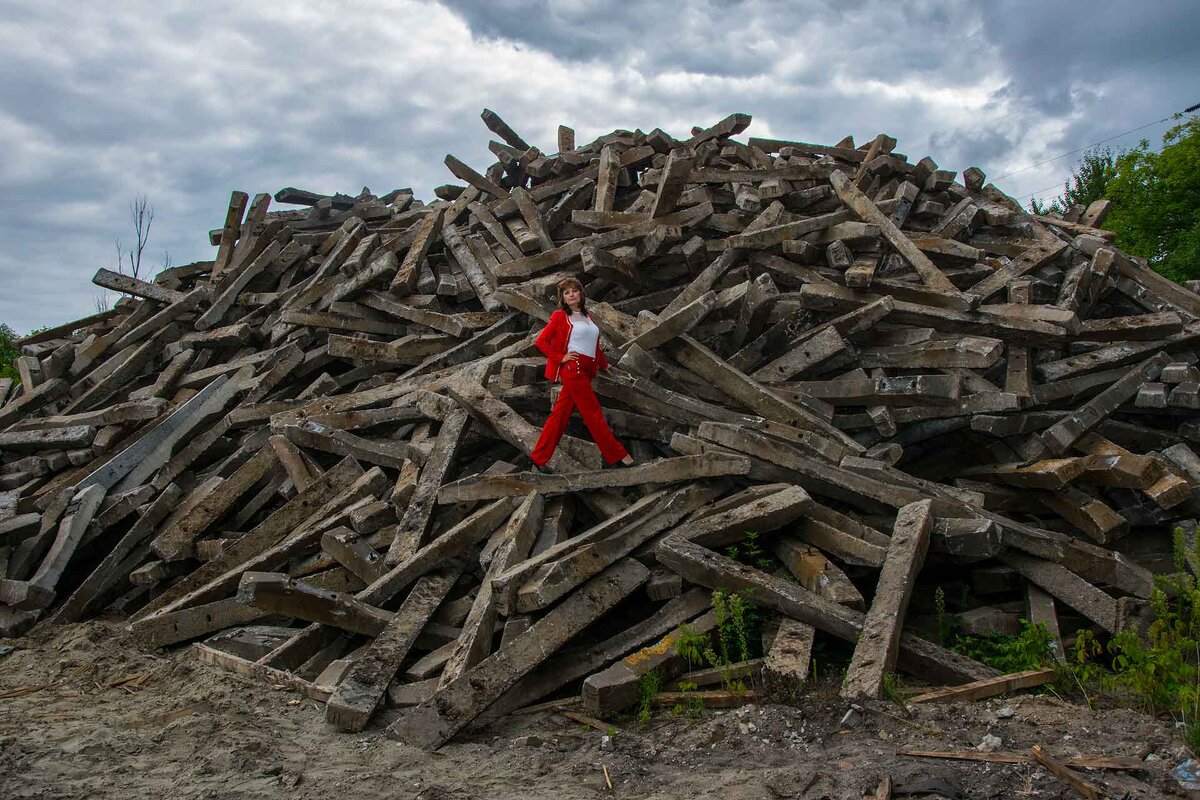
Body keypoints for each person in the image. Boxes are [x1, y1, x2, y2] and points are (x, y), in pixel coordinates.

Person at [529, 277, 634, 471]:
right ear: (563, 298)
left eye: (574, 291)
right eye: (567, 292)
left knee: (559, 415)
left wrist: (604, 366)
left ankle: (539, 457)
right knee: (593, 413)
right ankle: (618, 455)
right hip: (573, 369)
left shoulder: (588, 317)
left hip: (587, 370)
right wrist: (560, 358)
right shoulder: (560, 316)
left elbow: (594, 346)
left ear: (580, 294)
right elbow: (541, 342)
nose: (571, 295)